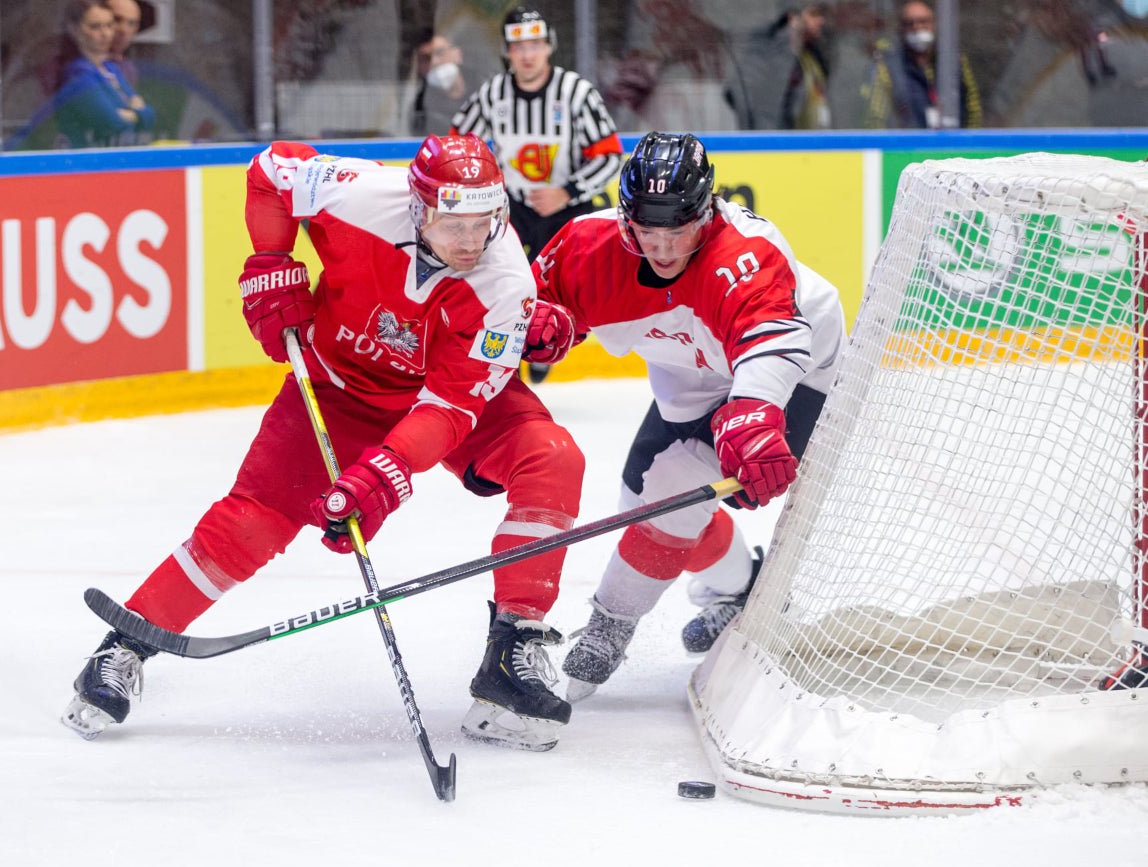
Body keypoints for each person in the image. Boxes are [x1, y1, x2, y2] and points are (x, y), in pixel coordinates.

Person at [61, 134, 585, 752]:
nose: (472, 241)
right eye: (453, 225)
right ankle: (129, 642)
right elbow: (270, 169)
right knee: (250, 524)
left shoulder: (505, 287)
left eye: (484, 222)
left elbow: (450, 406)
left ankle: (513, 651)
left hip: (443, 404)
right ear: (418, 209)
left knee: (551, 457)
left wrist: (382, 472)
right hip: (336, 392)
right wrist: (270, 259)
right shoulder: (359, 193)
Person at [520, 132, 846, 700]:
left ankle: (609, 626)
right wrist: (541, 320)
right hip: (691, 372)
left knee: (673, 494)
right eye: (647, 231)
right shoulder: (587, 246)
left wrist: (753, 413)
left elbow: (772, 337)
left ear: (707, 212)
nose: (663, 250)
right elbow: (532, 297)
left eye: (679, 231)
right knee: (642, 508)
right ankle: (736, 589)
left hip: (796, 367)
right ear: (626, 217)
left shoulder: (745, 250)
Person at [450, 5, 623, 384]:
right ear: (507, 52)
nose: (527, 55)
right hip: (511, 208)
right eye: (518, 47)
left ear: (549, 46)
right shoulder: (493, 95)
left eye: (535, 44)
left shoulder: (575, 93)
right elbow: (458, 148)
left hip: (566, 207)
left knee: (560, 285)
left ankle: (545, 343)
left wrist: (567, 191)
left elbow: (610, 156)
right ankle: (491, 354)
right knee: (493, 277)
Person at [863, 0, 982, 129]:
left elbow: (973, 107)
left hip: (953, 144)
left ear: (934, 24)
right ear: (901, 29)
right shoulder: (888, 65)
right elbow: (876, 117)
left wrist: (970, 143)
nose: (917, 27)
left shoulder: (954, 60)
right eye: (910, 23)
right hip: (909, 145)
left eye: (923, 21)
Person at [56, 0, 153, 148]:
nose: (105, 33)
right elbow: (112, 123)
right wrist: (135, 112)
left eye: (109, 25)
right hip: (86, 161)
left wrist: (132, 114)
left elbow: (150, 116)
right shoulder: (77, 74)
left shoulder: (111, 69)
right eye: (95, 27)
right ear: (74, 29)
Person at [778, 4, 832, 130]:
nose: (820, 20)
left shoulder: (812, 58)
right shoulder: (778, 61)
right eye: (813, 14)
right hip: (791, 144)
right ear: (793, 19)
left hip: (817, 141)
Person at [405, 32, 469, 137]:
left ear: (457, 54)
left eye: (440, 53)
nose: (434, 62)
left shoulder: (484, 93)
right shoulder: (419, 110)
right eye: (426, 58)